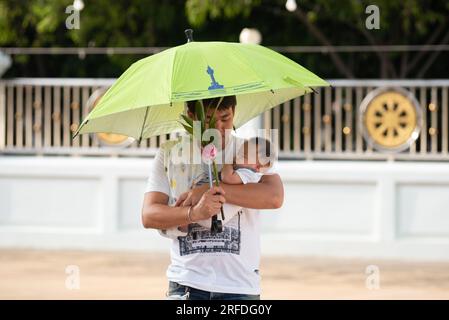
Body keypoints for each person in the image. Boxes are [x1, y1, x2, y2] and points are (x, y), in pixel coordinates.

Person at [141, 95, 284, 300]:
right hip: (186, 285)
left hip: (240, 289)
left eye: (225, 118)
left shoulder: (250, 151)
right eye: (209, 120)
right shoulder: (170, 153)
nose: (218, 128)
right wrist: (194, 212)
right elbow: (149, 215)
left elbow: (274, 196)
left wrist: (209, 190)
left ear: (234, 111)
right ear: (191, 116)